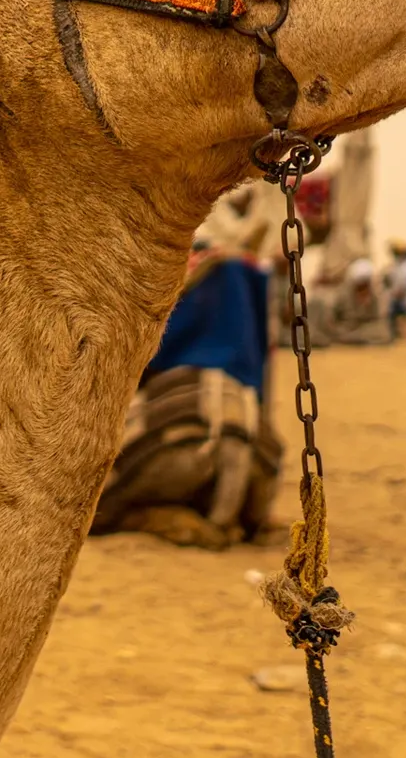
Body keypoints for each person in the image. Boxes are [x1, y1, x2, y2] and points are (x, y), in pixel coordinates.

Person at [92, 208, 284, 549]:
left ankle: (147, 514)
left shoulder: (195, 279)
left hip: (183, 369)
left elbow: (153, 351)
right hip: (241, 381)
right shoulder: (249, 279)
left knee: (98, 489)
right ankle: (240, 517)